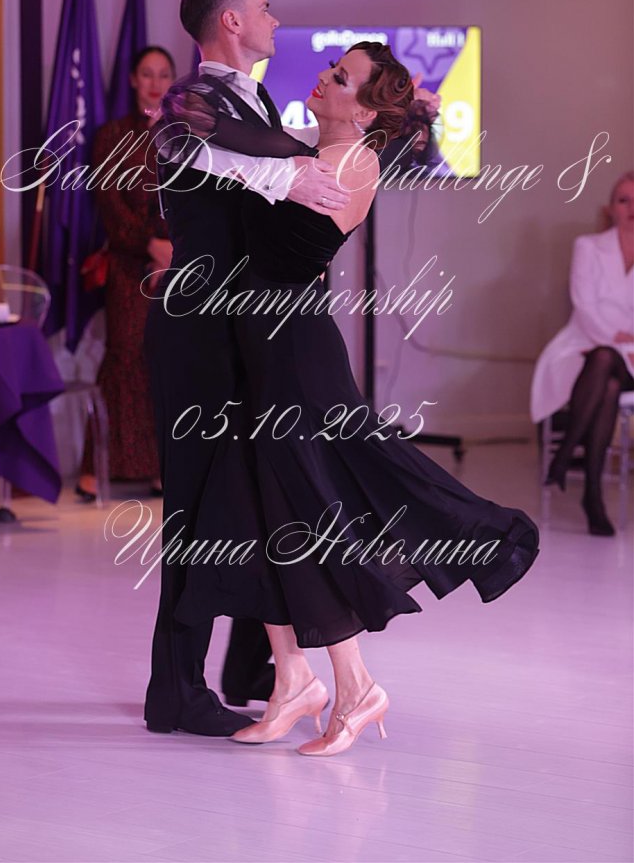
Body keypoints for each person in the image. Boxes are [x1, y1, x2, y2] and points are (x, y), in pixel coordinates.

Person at [166, 40, 541, 756]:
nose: (323, 77)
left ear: (366, 109)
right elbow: (248, 147)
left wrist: (222, 138)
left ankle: (354, 685)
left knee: (305, 515)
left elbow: (245, 158)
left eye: (340, 76)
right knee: (250, 514)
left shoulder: (348, 163)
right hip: (261, 353)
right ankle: (294, 680)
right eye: (331, 68)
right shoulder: (318, 147)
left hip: (295, 360)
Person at [143, 0, 349, 736]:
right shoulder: (187, 104)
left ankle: (253, 668)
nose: (274, 17)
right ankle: (175, 689)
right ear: (231, 21)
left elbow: (288, 158)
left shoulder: (253, 104)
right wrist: (296, 173)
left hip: (245, 331)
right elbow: (222, 157)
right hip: (197, 333)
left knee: (255, 499)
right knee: (198, 509)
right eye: (263, 6)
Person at [77, 47, 176, 503]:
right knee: (125, 356)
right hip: (128, 264)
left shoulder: (185, 135)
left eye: (163, 75)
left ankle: (161, 469)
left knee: (170, 361)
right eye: (147, 74)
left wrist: (172, 249)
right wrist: (149, 245)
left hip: (180, 265)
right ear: (134, 79)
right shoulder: (113, 135)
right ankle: (96, 469)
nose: (155, 83)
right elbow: (110, 206)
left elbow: (197, 197)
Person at [531, 171, 634, 535]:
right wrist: (616, 339)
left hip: (631, 356)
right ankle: (592, 496)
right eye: (624, 200)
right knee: (605, 372)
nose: (632, 208)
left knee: (606, 362)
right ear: (610, 208)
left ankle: (565, 455)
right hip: (583, 345)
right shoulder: (588, 247)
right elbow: (584, 306)